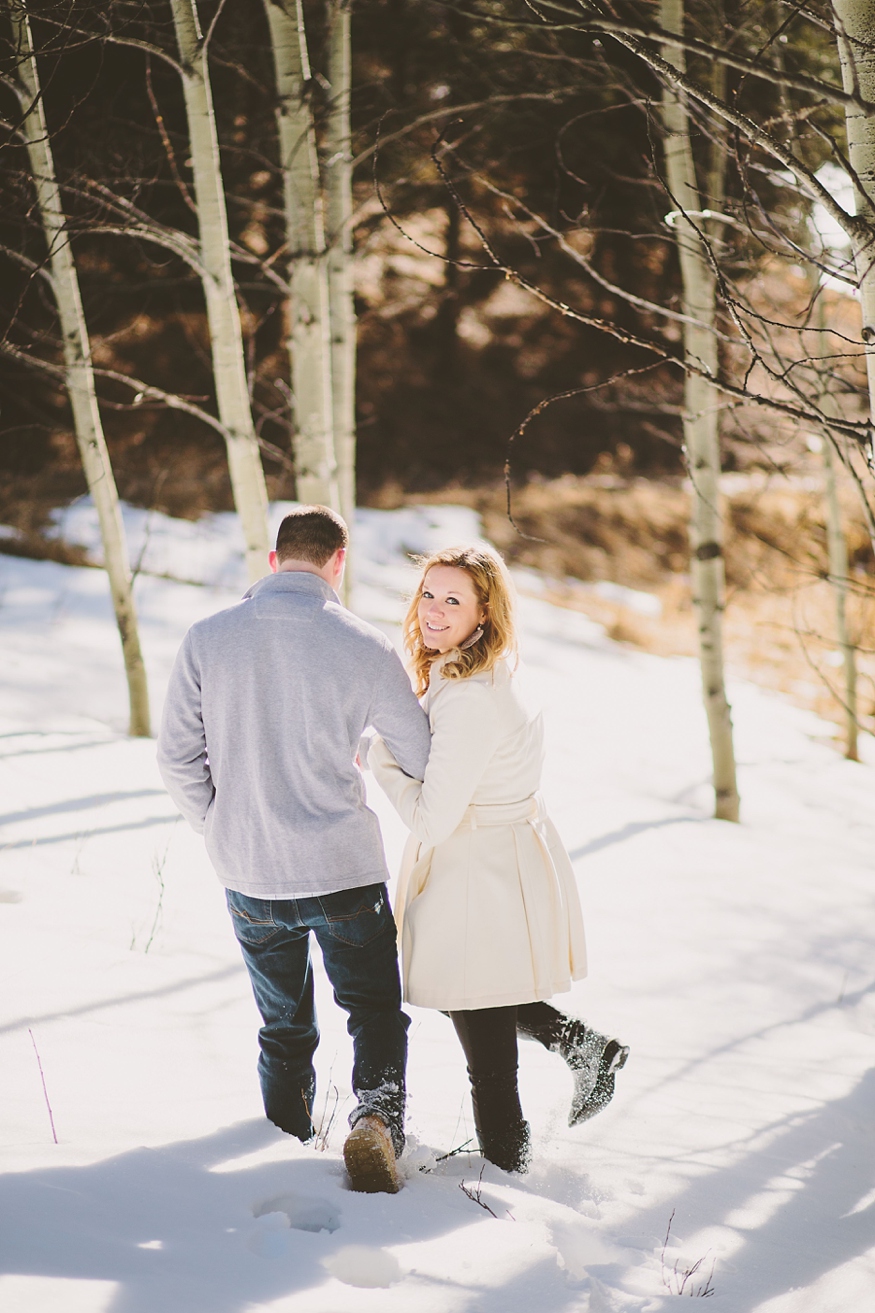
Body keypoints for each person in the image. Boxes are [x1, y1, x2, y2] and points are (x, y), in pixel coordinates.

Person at [157, 505, 431, 1195]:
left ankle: (283, 1142)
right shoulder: (364, 645)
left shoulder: (208, 637)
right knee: (372, 1009)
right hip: (342, 866)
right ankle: (376, 1118)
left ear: (274, 561)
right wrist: (367, 752)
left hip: (250, 869)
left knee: (282, 1024)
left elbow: (176, 757)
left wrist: (217, 824)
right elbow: (422, 750)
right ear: (338, 562)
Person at [367, 545, 629, 1173]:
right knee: (472, 997)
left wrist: (384, 764)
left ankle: (507, 1184)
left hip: (478, 874)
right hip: (492, 861)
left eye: (453, 599)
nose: (433, 609)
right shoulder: (478, 671)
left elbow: (433, 817)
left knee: (486, 1060)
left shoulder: (468, 696)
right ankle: (581, 1047)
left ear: (484, 613)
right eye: (428, 594)